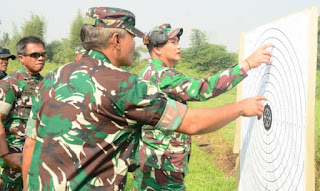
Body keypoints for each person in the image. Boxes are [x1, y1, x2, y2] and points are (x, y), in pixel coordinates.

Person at [22, 7, 266, 191]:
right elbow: (191, 123)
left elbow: (31, 144)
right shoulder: (123, 84)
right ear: (116, 40)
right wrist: (241, 107)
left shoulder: (53, 77)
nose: (135, 44)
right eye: (132, 37)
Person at [133, 24, 273, 190]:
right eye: (173, 42)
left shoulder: (149, 72)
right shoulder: (160, 74)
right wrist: (247, 64)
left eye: (178, 41)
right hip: (161, 164)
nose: (179, 46)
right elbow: (202, 89)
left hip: (152, 160)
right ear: (157, 48)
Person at [0, 36, 46, 191]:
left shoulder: (47, 84)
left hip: (38, 156)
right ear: (21, 58)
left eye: (42, 54)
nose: (40, 58)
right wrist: (5, 156)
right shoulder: (10, 84)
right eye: (34, 55)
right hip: (16, 157)